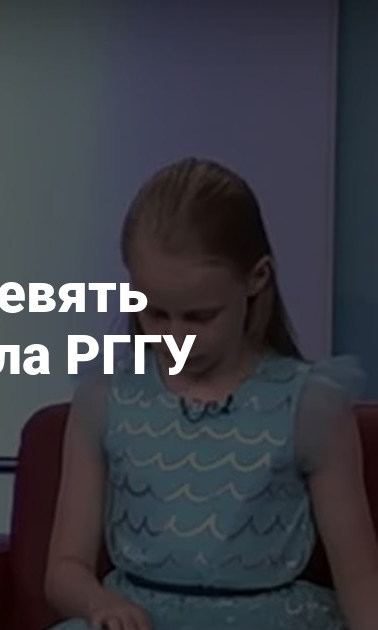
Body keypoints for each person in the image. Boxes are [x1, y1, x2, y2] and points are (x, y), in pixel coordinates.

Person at [43, 157, 378, 630]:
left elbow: (361, 580)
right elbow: (65, 570)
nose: (174, 337)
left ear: (257, 278)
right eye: (154, 313)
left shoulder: (310, 406)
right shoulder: (104, 400)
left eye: (199, 317)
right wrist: (100, 605)